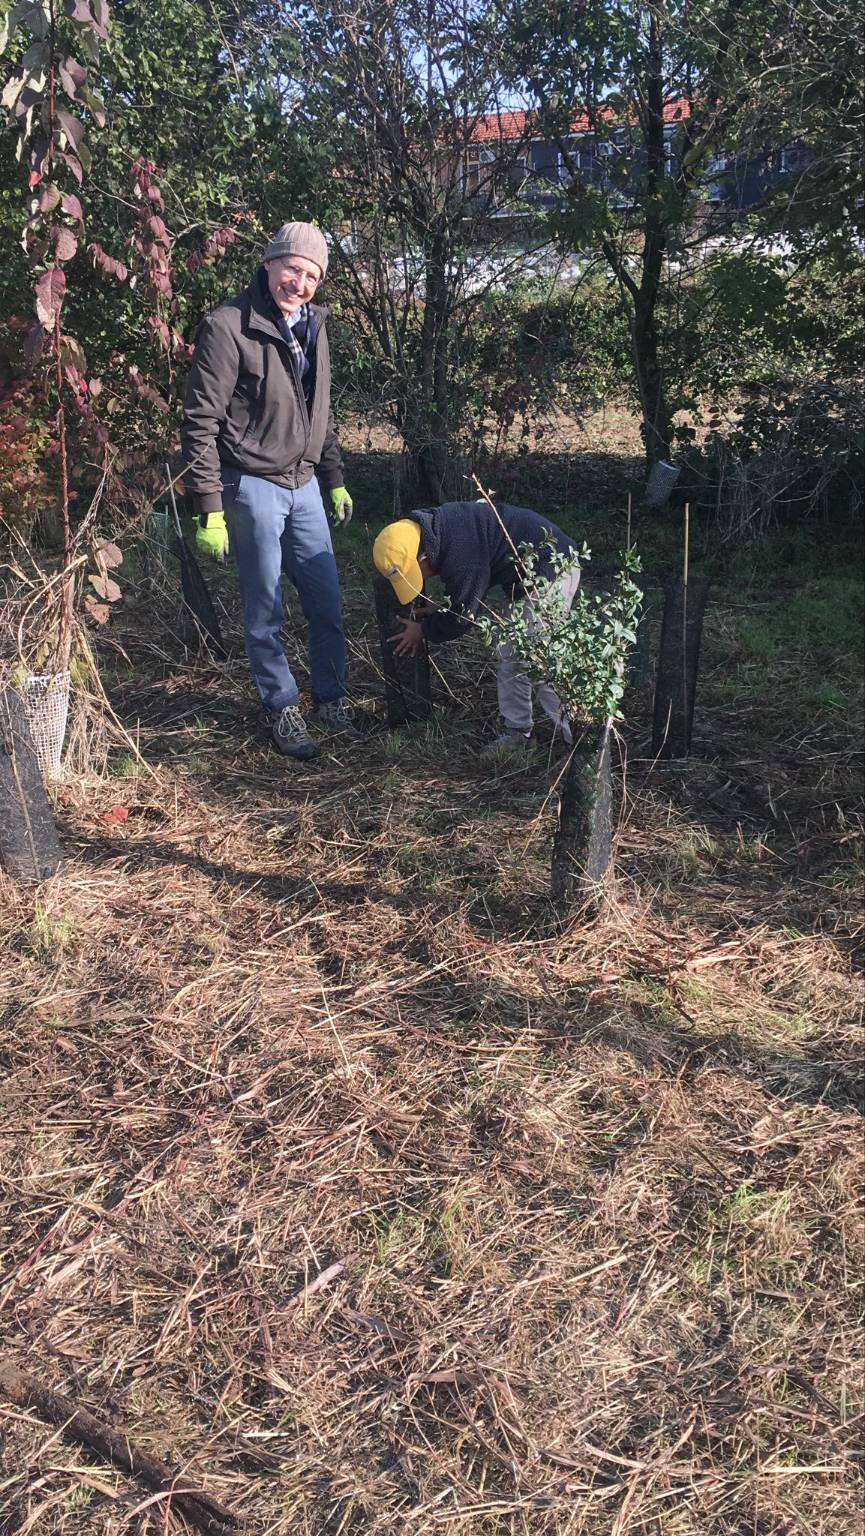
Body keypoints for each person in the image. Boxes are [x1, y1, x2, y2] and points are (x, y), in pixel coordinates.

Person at [181, 220, 360, 761]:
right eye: (292, 269)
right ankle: (281, 705)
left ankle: (331, 700)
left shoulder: (314, 325)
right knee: (266, 607)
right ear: (269, 264)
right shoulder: (227, 326)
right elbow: (200, 421)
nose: (299, 283)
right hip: (251, 481)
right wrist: (208, 506)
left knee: (326, 600)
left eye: (311, 275)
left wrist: (334, 478)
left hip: (304, 484)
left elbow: (320, 412)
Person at [373, 499, 579, 752]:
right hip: (526, 578)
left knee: (538, 658)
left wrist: (423, 630)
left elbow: (462, 617)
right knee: (511, 652)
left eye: (419, 573)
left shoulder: (461, 551)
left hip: (554, 567)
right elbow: (471, 588)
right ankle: (519, 733)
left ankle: (580, 741)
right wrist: (446, 607)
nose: (424, 579)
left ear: (423, 556)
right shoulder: (434, 530)